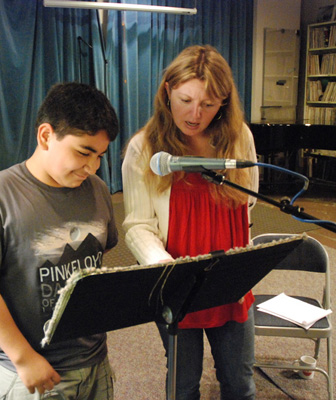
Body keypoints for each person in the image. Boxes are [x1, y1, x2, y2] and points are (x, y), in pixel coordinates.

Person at [0, 82, 119, 400]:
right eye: (84, 152)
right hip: (33, 369)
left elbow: (95, 265)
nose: (93, 166)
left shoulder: (97, 189)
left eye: (100, 155)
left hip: (94, 360)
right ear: (45, 136)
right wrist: (24, 358)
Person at [122, 45, 259, 400]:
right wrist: (164, 267)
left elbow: (250, 202)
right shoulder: (144, 149)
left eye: (209, 104)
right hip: (178, 285)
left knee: (240, 385)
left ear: (224, 103)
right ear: (167, 90)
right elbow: (138, 225)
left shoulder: (238, 137)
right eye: (185, 100)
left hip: (231, 282)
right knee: (183, 387)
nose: (195, 114)